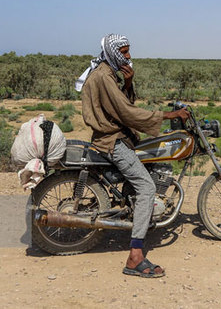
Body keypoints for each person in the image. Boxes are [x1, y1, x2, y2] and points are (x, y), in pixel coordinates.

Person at [77, 34, 190, 278]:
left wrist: (128, 84)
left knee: (145, 170)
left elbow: (119, 106)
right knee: (147, 188)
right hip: (113, 141)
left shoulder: (108, 72)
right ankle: (135, 257)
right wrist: (168, 116)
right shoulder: (104, 76)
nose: (128, 57)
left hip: (118, 136)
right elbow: (127, 112)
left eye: (129, 51)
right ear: (114, 52)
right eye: (125, 52)